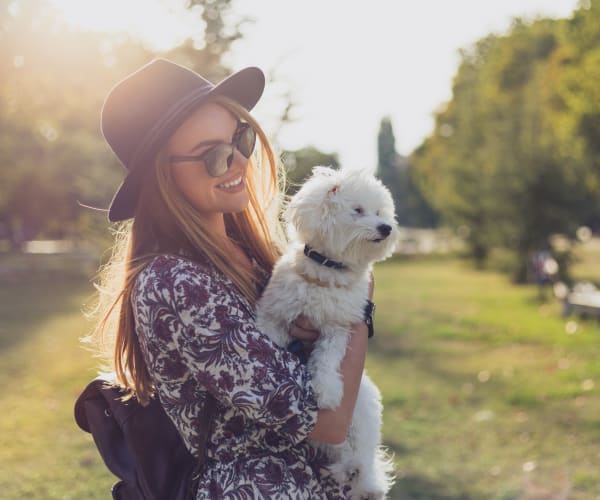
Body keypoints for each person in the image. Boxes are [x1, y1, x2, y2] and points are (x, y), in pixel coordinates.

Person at [86, 58, 372, 499]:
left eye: (240, 138)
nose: (238, 161)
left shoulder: (257, 260)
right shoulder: (175, 284)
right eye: (214, 156)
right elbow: (326, 420)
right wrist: (358, 305)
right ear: (163, 175)